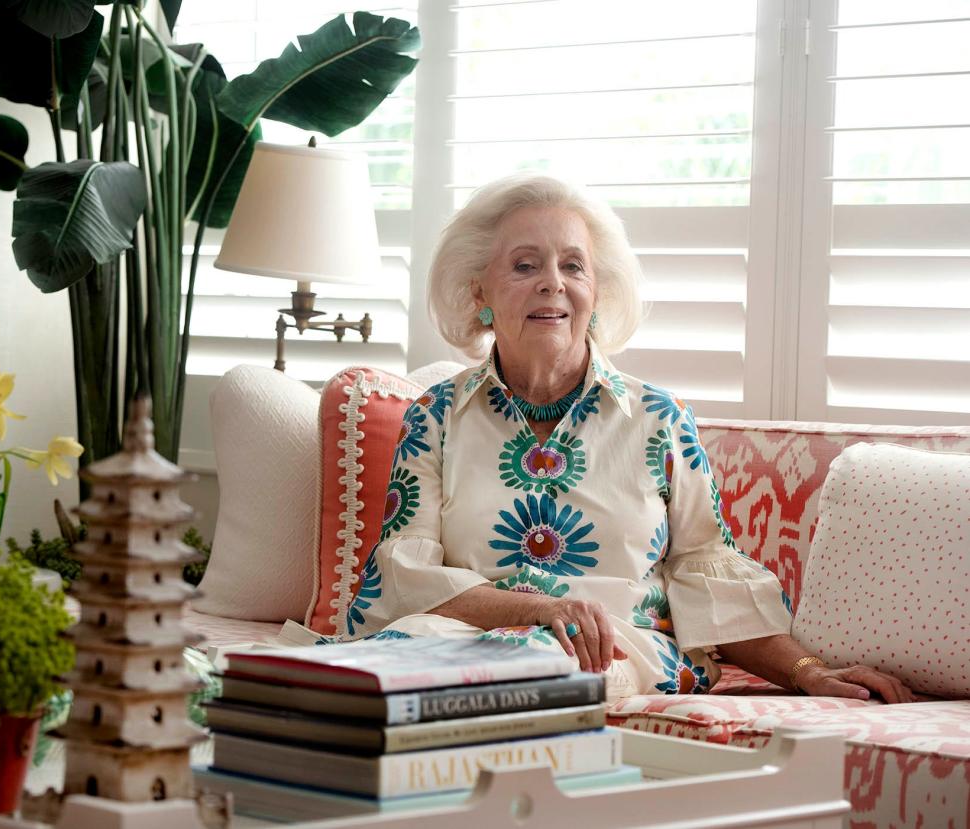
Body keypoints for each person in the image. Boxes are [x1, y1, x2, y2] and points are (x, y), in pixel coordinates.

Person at [349, 174, 915, 703]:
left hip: (610, 646)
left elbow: (704, 570)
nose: (553, 281)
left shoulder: (658, 420)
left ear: (596, 292)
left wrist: (808, 672)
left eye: (574, 265)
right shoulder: (436, 416)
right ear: (481, 293)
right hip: (453, 637)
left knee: (526, 665)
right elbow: (407, 575)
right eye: (525, 265)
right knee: (371, 675)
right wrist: (539, 607)